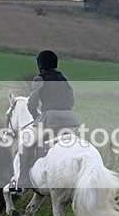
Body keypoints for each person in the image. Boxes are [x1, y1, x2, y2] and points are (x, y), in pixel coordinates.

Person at [11, 50, 80, 191]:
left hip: (49, 120)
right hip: (69, 120)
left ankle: (23, 179)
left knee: (26, 144)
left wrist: (38, 117)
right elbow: (71, 100)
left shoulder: (39, 79)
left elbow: (31, 104)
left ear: (40, 64)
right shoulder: (64, 78)